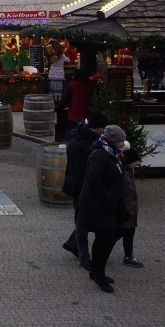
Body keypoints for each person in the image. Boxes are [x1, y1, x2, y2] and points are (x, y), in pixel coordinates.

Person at [78, 124, 129, 293]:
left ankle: (96, 271)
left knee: (105, 238)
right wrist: (108, 198)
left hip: (107, 204)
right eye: (121, 140)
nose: (123, 142)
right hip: (98, 205)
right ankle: (99, 275)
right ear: (114, 141)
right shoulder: (100, 155)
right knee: (105, 239)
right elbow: (95, 182)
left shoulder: (112, 154)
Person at [61, 110, 108, 272]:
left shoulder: (94, 140)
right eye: (104, 127)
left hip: (88, 188)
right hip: (81, 189)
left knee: (85, 220)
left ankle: (73, 244)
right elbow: (79, 172)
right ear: (97, 128)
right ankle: (84, 257)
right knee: (82, 222)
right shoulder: (78, 144)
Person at [119, 149, 145, 269]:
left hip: (127, 211)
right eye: (135, 161)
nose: (136, 163)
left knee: (122, 234)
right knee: (123, 233)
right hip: (127, 212)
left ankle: (128, 255)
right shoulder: (126, 175)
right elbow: (128, 197)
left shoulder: (127, 172)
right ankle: (128, 256)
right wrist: (130, 213)